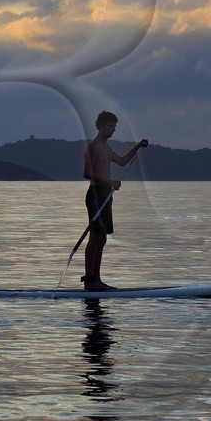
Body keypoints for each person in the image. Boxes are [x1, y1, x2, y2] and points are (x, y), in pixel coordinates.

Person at [81, 111, 148, 291]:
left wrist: (137, 146)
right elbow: (87, 173)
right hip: (95, 194)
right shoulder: (93, 146)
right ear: (101, 126)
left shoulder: (106, 147)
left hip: (106, 194)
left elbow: (122, 161)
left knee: (102, 238)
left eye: (115, 126)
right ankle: (89, 282)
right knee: (95, 237)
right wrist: (111, 182)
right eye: (110, 126)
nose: (113, 130)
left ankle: (97, 279)